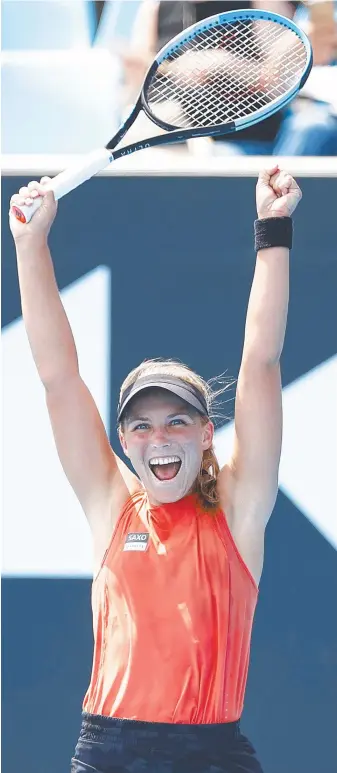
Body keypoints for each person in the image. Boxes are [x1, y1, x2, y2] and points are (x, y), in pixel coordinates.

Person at [9, 165, 302, 772]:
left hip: (212, 754)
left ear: (205, 432)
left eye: (176, 421)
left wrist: (272, 234)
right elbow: (58, 377)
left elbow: (262, 361)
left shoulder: (239, 512)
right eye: (141, 425)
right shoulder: (111, 505)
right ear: (123, 440)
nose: (158, 437)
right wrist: (29, 246)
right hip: (107, 752)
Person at [120, 0, 337, 156]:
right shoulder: (155, 7)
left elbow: (278, 84)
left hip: (241, 140)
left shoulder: (260, 5)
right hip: (170, 137)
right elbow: (138, 84)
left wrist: (223, 65)